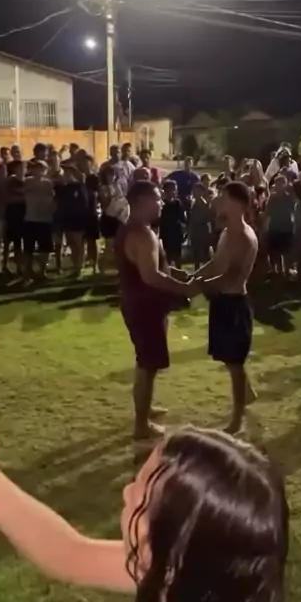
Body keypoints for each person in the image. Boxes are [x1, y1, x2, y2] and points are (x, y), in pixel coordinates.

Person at [0, 428, 288, 602]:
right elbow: (71, 554)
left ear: (177, 548)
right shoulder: (208, 586)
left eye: (142, 499)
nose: (126, 493)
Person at [115, 181, 196, 440]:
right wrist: (183, 289)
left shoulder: (130, 229)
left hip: (138, 304)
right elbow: (151, 276)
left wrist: (177, 274)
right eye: (157, 199)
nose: (162, 203)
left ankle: (145, 410)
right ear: (141, 202)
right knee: (147, 366)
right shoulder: (143, 234)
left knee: (146, 363)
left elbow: (150, 267)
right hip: (145, 307)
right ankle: (141, 425)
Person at [191, 182, 258, 435]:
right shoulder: (228, 231)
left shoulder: (242, 237)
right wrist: (195, 276)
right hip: (223, 301)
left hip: (234, 305)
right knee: (231, 362)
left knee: (235, 365)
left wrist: (199, 286)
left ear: (238, 203)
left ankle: (237, 421)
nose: (219, 200)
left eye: (224, 197)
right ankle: (248, 394)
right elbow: (216, 263)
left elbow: (232, 277)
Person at [23, 160, 55, 280]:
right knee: (28, 247)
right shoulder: (28, 181)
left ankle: (42, 270)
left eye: (42, 168)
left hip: (45, 219)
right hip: (30, 218)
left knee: (45, 247)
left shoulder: (48, 183)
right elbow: (24, 193)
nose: (39, 171)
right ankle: (28, 270)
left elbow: (52, 197)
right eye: (37, 168)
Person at [264, 174, 296, 277]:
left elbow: (294, 210)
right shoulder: (272, 198)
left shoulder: (289, 197)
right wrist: (265, 226)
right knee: (275, 250)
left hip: (286, 227)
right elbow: (267, 212)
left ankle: (286, 269)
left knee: (286, 250)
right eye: (277, 184)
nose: (279, 186)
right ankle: (276, 269)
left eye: (281, 184)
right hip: (275, 227)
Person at [159, 180, 186, 268]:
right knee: (167, 257)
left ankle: (179, 272)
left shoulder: (178, 203)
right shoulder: (162, 204)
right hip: (165, 233)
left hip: (176, 233)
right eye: (172, 189)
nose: (174, 192)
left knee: (177, 257)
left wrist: (183, 230)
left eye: (175, 189)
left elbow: (182, 218)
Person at [189, 181, 213, 271]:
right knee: (195, 254)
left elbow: (207, 218)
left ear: (202, 192)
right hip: (195, 231)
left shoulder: (204, 204)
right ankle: (197, 270)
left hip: (201, 231)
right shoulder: (194, 203)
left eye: (197, 191)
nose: (195, 193)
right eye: (194, 191)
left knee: (202, 253)